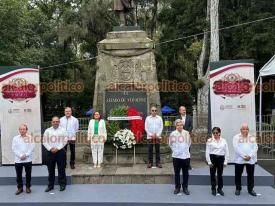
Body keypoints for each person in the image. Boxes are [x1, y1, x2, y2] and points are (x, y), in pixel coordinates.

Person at [43, 116, 68, 192]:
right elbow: (44, 141)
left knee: (61, 169)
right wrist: (50, 148)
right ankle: (50, 186)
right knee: (50, 170)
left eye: (57, 121)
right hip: (50, 152)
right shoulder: (47, 130)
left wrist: (57, 148)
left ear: (59, 122)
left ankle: (62, 185)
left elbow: (65, 140)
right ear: (52, 122)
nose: (55, 123)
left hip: (60, 152)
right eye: (54, 121)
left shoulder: (63, 130)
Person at [233, 123, 258, 196]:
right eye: (243, 129)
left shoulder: (252, 137)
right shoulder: (236, 137)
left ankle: (250, 189)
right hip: (239, 160)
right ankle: (238, 189)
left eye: (246, 129)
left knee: (250, 175)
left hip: (250, 160)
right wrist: (244, 156)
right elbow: (236, 148)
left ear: (248, 130)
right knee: (238, 175)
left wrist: (249, 156)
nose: (245, 130)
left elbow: (255, 147)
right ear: (240, 130)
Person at [169, 119, 191, 195]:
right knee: (177, 173)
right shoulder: (173, 134)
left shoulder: (187, 133)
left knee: (186, 173)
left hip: (186, 156)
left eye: (181, 125)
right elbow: (170, 144)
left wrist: (184, 150)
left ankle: (185, 188)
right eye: (178, 125)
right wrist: (176, 151)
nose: (180, 126)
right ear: (176, 126)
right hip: (176, 157)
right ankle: (177, 187)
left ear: (183, 125)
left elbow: (189, 143)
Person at [12, 124, 35, 195]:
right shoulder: (15, 138)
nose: (22, 130)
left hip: (28, 159)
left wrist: (26, 155)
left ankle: (28, 187)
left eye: (24, 129)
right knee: (18, 175)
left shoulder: (30, 137)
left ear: (26, 130)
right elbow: (14, 148)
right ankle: (20, 188)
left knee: (28, 174)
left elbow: (32, 148)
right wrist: (20, 155)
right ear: (19, 130)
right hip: (18, 160)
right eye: (21, 129)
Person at [205, 127, 229, 196]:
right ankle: (213, 189)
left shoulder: (224, 140)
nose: (215, 134)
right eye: (214, 133)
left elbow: (227, 151)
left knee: (220, 175)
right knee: (212, 175)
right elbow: (207, 152)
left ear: (219, 133)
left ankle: (220, 189)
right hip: (212, 158)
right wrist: (209, 162)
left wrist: (225, 161)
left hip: (221, 158)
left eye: (216, 133)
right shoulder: (209, 140)